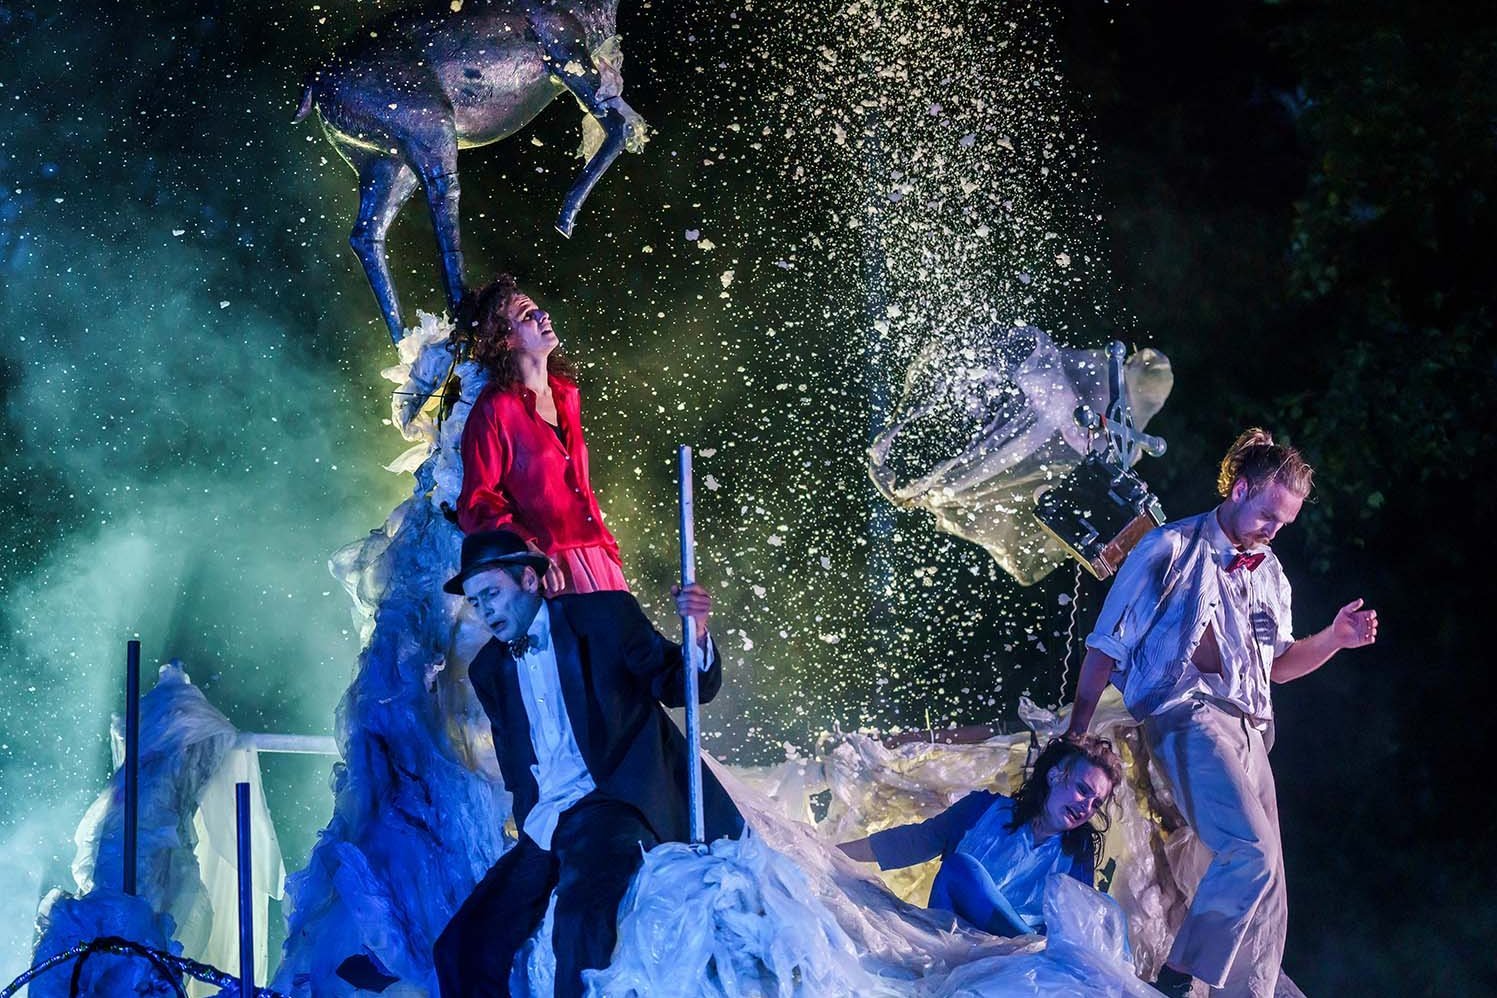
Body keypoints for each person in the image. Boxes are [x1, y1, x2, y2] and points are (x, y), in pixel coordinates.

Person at [1064, 428, 1379, 998]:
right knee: (1249, 851)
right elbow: (1104, 647)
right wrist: (1076, 736)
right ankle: (1181, 977)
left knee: (1269, 890)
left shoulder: (1270, 573)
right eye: (1268, 515)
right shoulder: (1168, 548)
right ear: (1238, 490)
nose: (1274, 530)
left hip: (1252, 731)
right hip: (1188, 716)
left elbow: (1279, 666)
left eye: (1285, 522)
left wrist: (1334, 639)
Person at [433, 529, 743, 998]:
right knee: (461, 947)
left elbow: (682, 686)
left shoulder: (604, 617)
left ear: (529, 581)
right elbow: (518, 765)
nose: (485, 611)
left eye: (492, 594)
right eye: (475, 602)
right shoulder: (488, 669)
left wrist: (695, 631)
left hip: (613, 801)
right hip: (546, 823)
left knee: (579, 922)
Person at [838, 735, 1123, 937]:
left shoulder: (1077, 853)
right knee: (960, 868)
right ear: (1054, 776)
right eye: (1083, 790)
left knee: (1107, 910)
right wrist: (831, 852)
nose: (1086, 807)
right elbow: (913, 842)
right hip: (952, 940)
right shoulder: (981, 809)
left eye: (1096, 804)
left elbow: (1074, 922)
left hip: (1014, 966)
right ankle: (1029, 943)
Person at [454, 273, 626, 595]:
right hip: (551, 567)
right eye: (527, 316)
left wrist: (608, 552)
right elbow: (476, 502)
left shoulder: (566, 394)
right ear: (505, 339)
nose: (543, 315)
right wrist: (525, 548)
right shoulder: (495, 409)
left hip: (597, 555)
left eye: (538, 310)